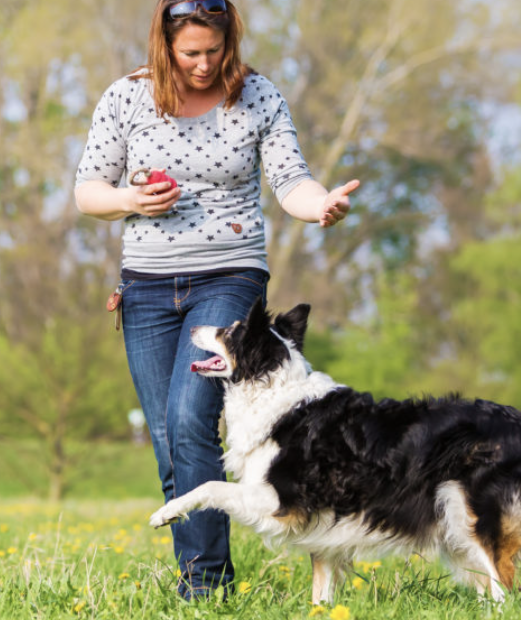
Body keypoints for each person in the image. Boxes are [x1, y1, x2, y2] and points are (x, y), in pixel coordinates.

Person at [73, 0, 360, 601]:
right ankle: (204, 574)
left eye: (215, 51)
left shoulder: (258, 95)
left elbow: (290, 181)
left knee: (189, 418)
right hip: (146, 285)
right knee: (167, 436)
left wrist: (320, 206)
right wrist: (131, 201)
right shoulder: (126, 98)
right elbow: (87, 192)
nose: (205, 65)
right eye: (191, 53)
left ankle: (204, 588)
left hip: (229, 274)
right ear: (165, 45)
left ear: (231, 41)